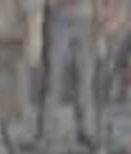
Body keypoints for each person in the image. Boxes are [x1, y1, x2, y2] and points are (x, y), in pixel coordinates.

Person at [35, 0, 99, 146]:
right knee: (53, 78)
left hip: (85, 19)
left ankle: (86, 130)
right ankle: (46, 132)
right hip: (59, 19)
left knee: (85, 79)